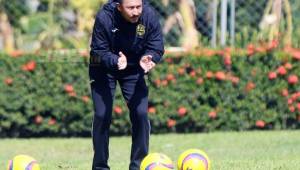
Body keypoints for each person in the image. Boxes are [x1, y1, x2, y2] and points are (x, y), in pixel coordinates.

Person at [89, 0, 164, 169]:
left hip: (133, 68)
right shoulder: (105, 17)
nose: (136, 12)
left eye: (138, 6)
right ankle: (100, 166)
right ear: (119, 7)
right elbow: (98, 50)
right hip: (103, 67)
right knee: (102, 114)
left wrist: (150, 57)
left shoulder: (148, 15)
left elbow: (156, 44)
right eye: (131, 8)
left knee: (140, 114)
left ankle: (138, 166)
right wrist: (115, 60)